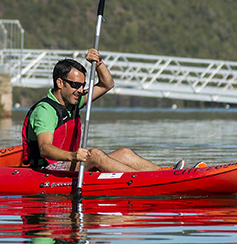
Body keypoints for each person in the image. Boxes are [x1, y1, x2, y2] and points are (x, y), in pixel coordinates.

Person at [22, 49, 177, 173]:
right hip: (47, 170)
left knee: (125, 153)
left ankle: (165, 173)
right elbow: (45, 148)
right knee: (95, 154)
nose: (80, 90)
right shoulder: (45, 111)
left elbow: (106, 84)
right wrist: (73, 155)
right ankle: (143, 180)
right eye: (75, 85)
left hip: (70, 164)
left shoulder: (74, 101)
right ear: (60, 83)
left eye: (82, 85)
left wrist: (98, 63)